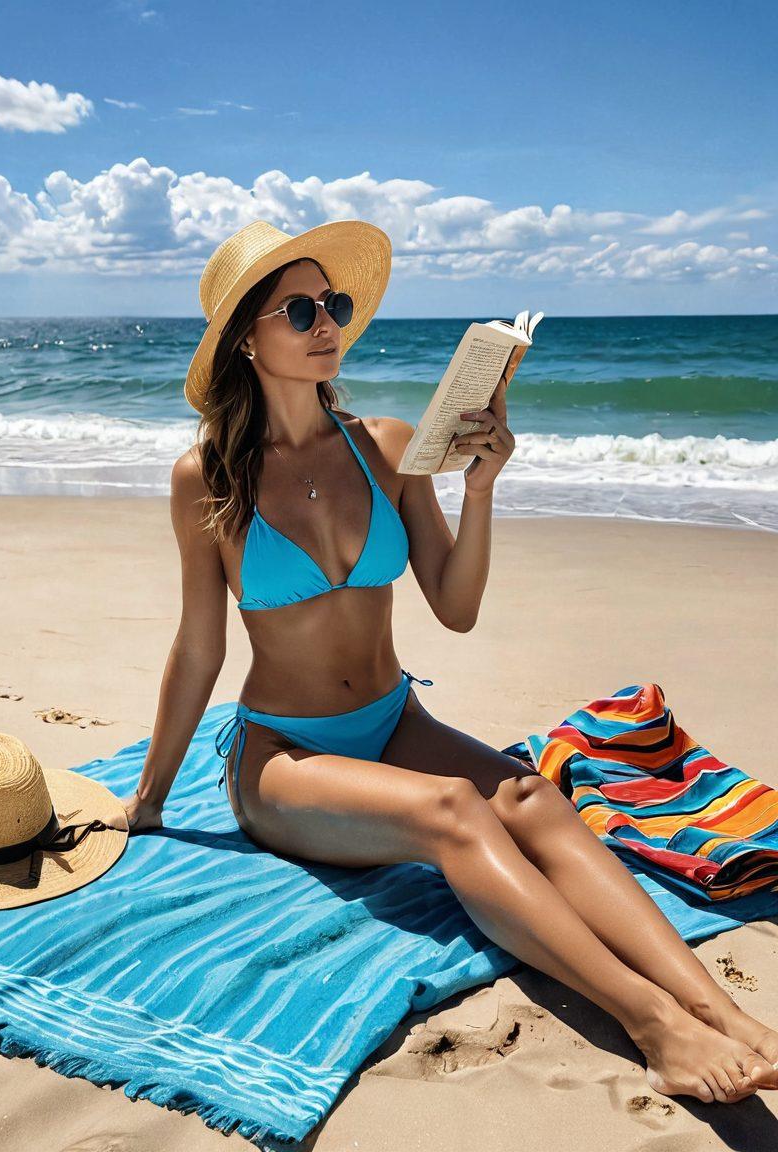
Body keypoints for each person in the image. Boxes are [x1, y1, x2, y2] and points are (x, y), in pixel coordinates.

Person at [123, 219, 778, 1104]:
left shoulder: (385, 445)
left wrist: (479, 490)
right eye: (301, 308)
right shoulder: (206, 476)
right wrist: (150, 800)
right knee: (455, 812)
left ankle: (721, 1012)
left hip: (395, 721)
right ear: (247, 337)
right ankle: (653, 1022)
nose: (328, 323)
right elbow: (199, 647)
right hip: (285, 757)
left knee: (532, 794)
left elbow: (455, 608)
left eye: (336, 305)